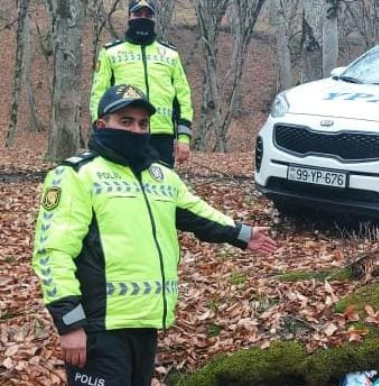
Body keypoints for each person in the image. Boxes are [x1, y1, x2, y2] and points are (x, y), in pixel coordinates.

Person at [32, 84, 278, 386]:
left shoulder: (161, 175)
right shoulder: (75, 175)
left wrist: (242, 233)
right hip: (98, 327)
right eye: (125, 121)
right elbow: (52, 251)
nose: (136, 130)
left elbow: (198, 213)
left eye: (142, 123)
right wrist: (70, 324)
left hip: (147, 322)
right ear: (101, 125)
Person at [90, 0, 193, 167]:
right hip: (123, 132)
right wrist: (99, 129)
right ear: (129, 17)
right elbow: (98, 94)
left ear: (154, 18)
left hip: (162, 135)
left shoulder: (170, 54)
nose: (143, 18)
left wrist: (183, 138)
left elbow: (183, 98)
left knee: (160, 188)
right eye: (138, 14)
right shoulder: (110, 52)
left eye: (148, 15)